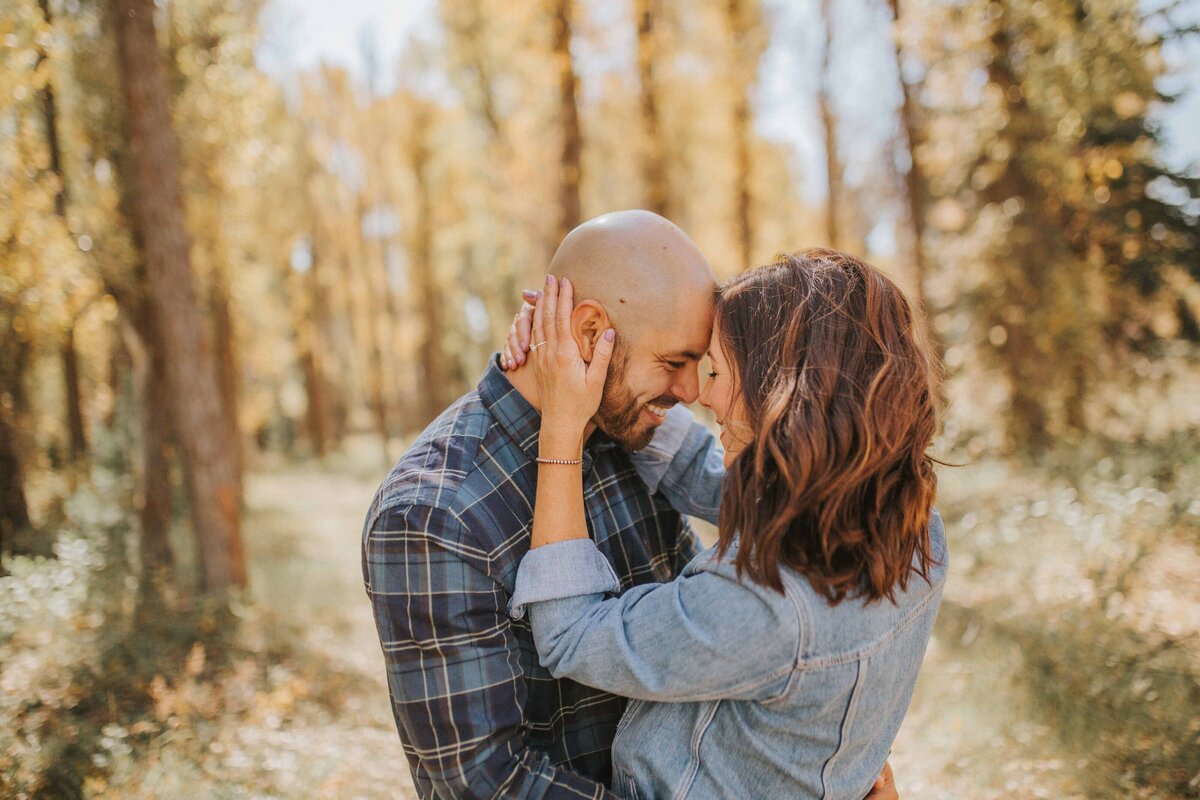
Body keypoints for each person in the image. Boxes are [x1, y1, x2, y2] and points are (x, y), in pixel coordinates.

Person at [363, 210, 901, 799]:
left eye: (700, 362)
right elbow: (485, 786)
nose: (694, 391)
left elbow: (802, 511)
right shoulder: (434, 515)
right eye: (674, 363)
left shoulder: (631, 434)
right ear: (591, 334)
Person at [508, 249, 945, 799]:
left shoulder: (761, 600)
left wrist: (563, 427)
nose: (701, 393)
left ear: (782, 394)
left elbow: (572, 636)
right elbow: (703, 471)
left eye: (716, 370)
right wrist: (597, 366)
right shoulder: (914, 527)